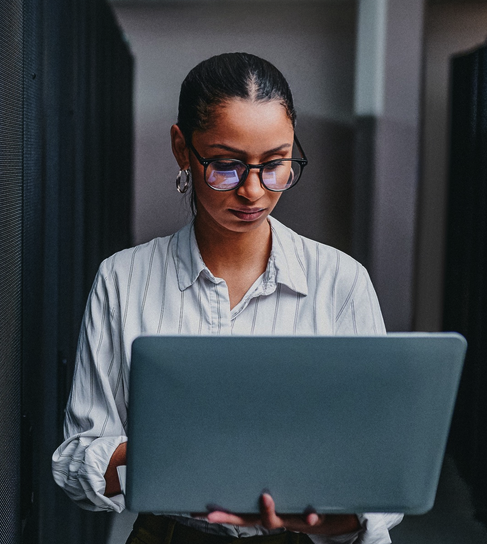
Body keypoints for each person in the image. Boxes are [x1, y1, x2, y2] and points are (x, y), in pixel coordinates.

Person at [51, 53, 404, 544]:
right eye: (227, 165)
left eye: (275, 164)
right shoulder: (123, 279)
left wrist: (322, 517)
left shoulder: (341, 283)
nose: (253, 191)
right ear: (182, 148)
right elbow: (75, 462)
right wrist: (163, 451)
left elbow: (379, 476)